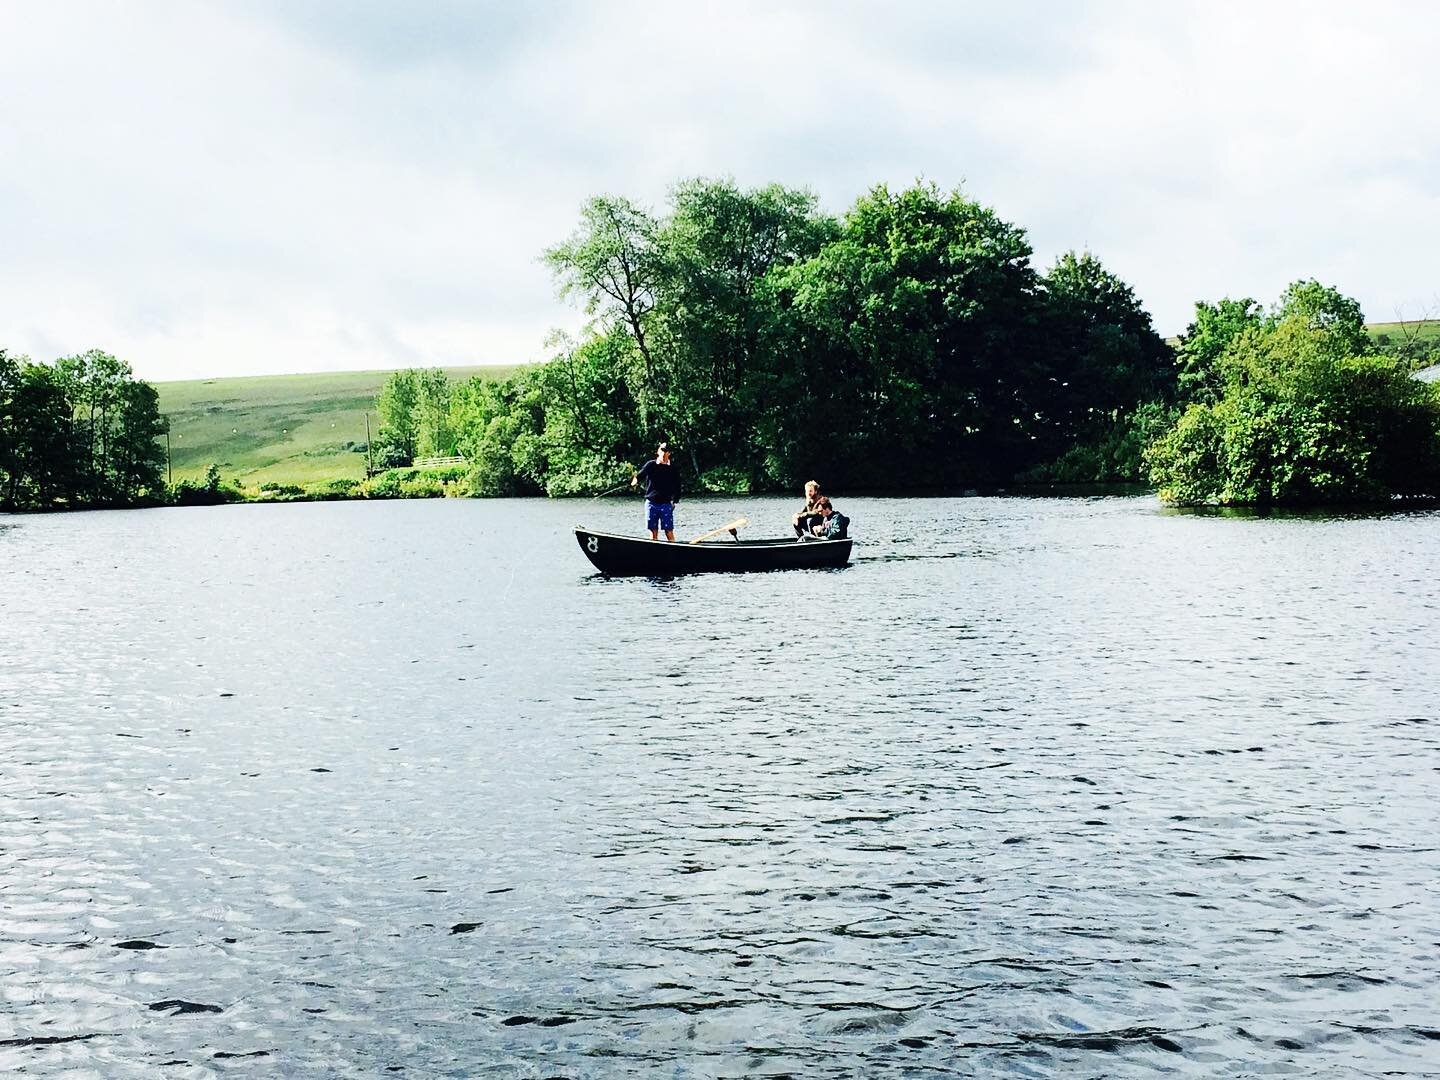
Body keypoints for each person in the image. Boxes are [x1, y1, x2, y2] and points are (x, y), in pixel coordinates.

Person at [631, 441, 680, 541]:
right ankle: (654, 551)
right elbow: (639, 475)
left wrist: (674, 501)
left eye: (666, 451)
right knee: (653, 531)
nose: (663, 453)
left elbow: (678, 486)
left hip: (666, 504)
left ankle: (673, 551)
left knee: (668, 530)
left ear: (669, 453)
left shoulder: (673, 469)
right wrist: (634, 481)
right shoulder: (651, 464)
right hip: (651, 503)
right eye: (662, 450)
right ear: (658, 451)